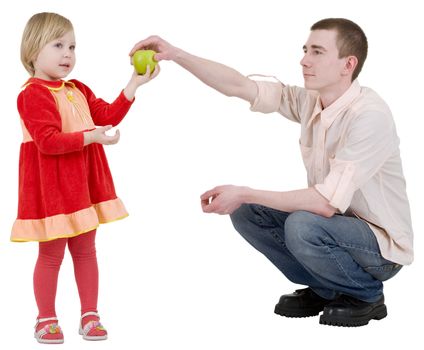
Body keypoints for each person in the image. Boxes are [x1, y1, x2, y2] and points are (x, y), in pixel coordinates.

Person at [130, 18, 413, 327]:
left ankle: (367, 295)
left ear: (348, 64)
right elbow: (239, 86)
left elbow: (325, 204)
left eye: (317, 52)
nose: (304, 60)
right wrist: (175, 54)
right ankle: (327, 288)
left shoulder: (369, 116)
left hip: (379, 248)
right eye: (305, 50)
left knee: (302, 225)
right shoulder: (312, 101)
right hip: (335, 229)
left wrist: (244, 190)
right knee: (248, 212)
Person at [12, 12, 159, 344]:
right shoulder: (32, 94)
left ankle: (89, 314)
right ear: (34, 51)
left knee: (86, 250)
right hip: (52, 188)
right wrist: (91, 137)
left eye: (73, 46)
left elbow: (106, 116)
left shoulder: (77, 88)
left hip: (81, 186)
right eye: (59, 45)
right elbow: (48, 142)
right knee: (51, 253)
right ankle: (46, 318)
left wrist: (134, 83)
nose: (68, 54)